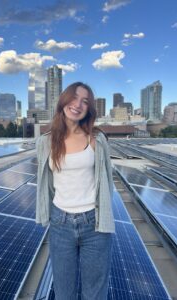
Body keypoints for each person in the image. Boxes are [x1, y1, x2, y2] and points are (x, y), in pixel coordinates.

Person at [36, 82, 115, 300]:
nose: (78, 104)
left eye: (85, 101)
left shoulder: (97, 140)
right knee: (63, 292)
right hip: (60, 224)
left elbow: (107, 182)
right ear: (63, 101)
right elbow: (47, 184)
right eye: (74, 98)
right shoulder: (45, 142)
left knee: (95, 292)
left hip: (95, 224)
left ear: (89, 108)